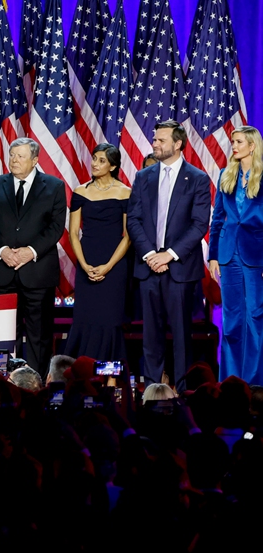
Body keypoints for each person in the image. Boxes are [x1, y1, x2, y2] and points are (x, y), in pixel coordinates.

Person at [126, 120, 212, 388]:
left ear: (177, 144)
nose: (155, 144)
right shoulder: (143, 177)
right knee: (151, 335)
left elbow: (199, 224)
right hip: (148, 266)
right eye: (155, 139)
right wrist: (151, 254)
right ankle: (153, 389)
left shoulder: (197, 178)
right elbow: (134, 221)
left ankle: (184, 392)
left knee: (182, 335)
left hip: (180, 269)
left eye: (161, 140)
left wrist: (169, 255)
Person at [0, 139, 67, 377]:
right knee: (4, 334)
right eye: (11, 155)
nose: (14, 160)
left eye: (20, 156)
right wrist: (2, 251)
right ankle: (4, 382)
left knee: (39, 335)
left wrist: (30, 251)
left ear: (35, 160)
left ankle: (35, 383)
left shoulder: (54, 186)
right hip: (2, 272)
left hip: (38, 273)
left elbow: (56, 227)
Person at [64, 143, 132, 364]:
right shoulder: (80, 192)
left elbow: (128, 236)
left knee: (110, 320)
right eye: (94, 158)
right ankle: (81, 371)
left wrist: (109, 266)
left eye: (101, 160)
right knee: (84, 318)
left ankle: (110, 378)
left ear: (112, 166)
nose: (94, 164)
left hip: (114, 264)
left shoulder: (125, 193)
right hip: (87, 261)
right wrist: (84, 265)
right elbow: (74, 233)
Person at [208, 125, 263, 385]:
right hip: (229, 256)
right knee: (231, 319)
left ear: (252, 146)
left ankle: (254, 382)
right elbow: (217, 219)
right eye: (233, 141)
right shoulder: (225, 175)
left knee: (255, 317)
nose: (234, 146)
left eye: (239, 142)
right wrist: (213, 256)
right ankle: (230, 381)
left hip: (256, 257)